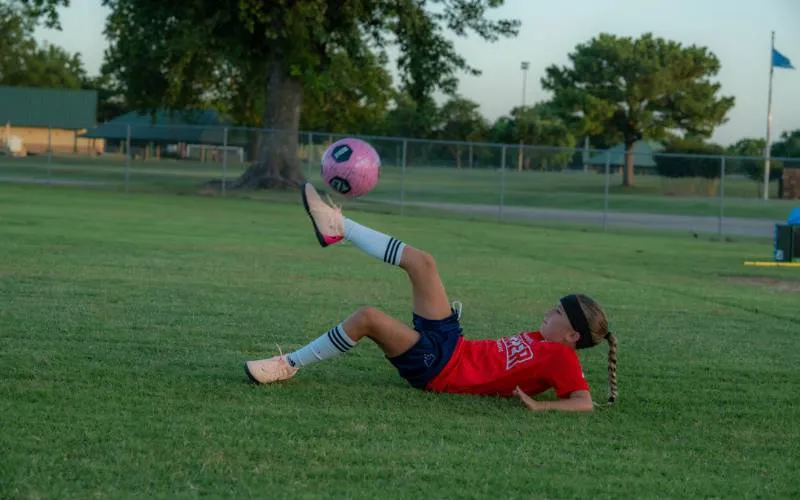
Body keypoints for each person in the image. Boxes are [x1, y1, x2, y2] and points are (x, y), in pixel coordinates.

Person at [244, 183, 618, 412]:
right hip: (452, 345)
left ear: (572, 335)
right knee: (423, 263)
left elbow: (583, 402)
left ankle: (287, 364)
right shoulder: (544, 340)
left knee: (368, 318)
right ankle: (337, 227)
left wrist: (541, 406)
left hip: (439, 369)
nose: (548, 313)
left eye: (556, 313)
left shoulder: (562, 357)